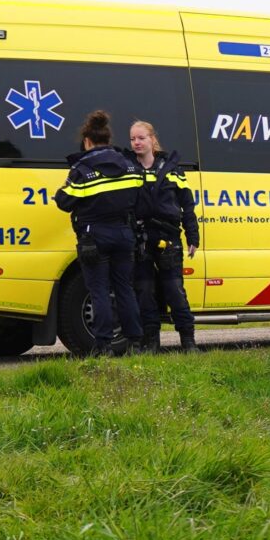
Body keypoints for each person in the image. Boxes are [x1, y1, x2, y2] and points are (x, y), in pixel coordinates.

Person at [55, 110, 146, 356]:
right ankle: (136, 342)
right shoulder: (129, 165)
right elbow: (140, 196)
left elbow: (64, 202)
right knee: (125, 288)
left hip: (94, 237)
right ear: (108, 140)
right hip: (124, 234)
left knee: (99, 291)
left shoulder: (83, 169)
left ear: (87, 141)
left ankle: (103, 345)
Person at [127, 119, 199, 352]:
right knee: (145, 292)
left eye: (141, 138)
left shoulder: (172, 170)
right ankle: (151, 342)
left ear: (152, 140)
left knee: (174, 291)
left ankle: (188, 342)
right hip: (141, 239)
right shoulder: (128, 169)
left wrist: (193, 236)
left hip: (168, 238)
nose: (136, 143)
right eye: (132, 139)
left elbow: (187, 206)